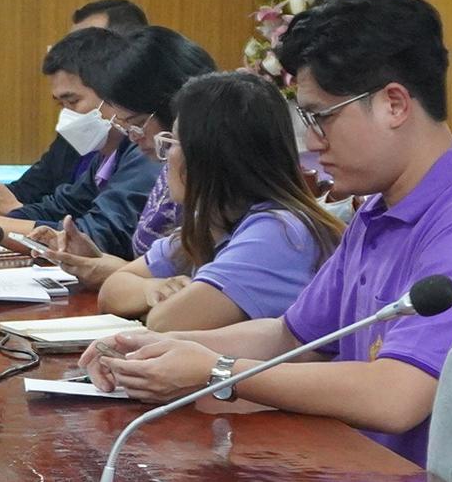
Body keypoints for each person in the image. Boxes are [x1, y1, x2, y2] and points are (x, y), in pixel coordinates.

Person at [86, 0, 452, 464]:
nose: (311, 141)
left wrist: (216, 370)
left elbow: (395, 396)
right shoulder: (378, 210)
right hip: (353, 479)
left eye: (321, 117)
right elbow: (293, 338)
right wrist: (153, 346)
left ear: (394, 104)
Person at [97, 70, 342, 327]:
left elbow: (167, 322)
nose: (167, 156)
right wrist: (152, 290)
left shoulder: (279, 232)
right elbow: (111, 290)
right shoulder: (214, 222)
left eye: (174, 142)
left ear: (210, 155)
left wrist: (152, 308)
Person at [0, 25, 155, 255]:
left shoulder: (146, 153)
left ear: (113, 94)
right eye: (61, 104)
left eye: (73, 102)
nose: (65, 115)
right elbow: (56, 208)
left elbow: (95, 236)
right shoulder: (109, 155)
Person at [0, 0, 147, 223]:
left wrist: (3, 216)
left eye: (89, 43)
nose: (73, 54)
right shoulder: (91, 143)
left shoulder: (145, 148)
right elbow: (45, 201)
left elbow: (99, 233)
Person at [27, 26, 218, 282]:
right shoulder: (163, 167)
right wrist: (98, 263)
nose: (132, 134)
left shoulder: (213, 183)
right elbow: (151, 272)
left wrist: (122, 278)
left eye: (137, 121)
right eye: (125, 123)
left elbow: (196, 291)